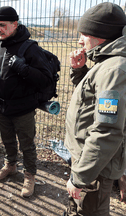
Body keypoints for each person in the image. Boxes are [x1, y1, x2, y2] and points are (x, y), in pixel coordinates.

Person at [0, 6, 53, 198]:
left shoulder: (30, 48)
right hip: (2, 107)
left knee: (27, 144)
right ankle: (10, 165)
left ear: (15, 25)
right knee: (7, 140)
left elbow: (46, 79)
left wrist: (24, 69)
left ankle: (30, 175)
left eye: (2, 25)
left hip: (24, 109)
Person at [64, 2, 126, 215]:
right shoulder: (105, 63)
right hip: (89, 159)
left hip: (96, 167)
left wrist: (80, 176)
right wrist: (80, 71)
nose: (80, 40)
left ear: (100, 37)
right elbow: (90, 102)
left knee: (89, 211)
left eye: (84, 34)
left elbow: (107, 131)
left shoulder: (113, 70)